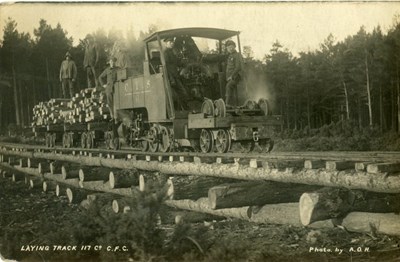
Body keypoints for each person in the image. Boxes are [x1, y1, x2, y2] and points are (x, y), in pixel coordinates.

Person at [163, 37, 189, 110]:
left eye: (172, 42)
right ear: (166, 43)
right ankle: (184, 109)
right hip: (172, 77)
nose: (172, 43)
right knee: (183, 92)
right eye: (170, 42)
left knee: (184, 91)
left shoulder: (172, 52)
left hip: (176, 76)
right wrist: (171, 78)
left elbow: (177, 63)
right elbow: (166, 66)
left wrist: (185, 62)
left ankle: (183, 108)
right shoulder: (165, 53)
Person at [225, 40, 243, 107]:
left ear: (234, 47)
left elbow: (238, 67)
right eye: (229, 47)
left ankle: (227, 104)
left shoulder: (237, 55)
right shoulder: (230, 56)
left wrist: (231, 76)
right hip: (230, 77)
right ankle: (229, 104)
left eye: (232, 47)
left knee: (229, 86)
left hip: (236, 76)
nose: (230, 48)